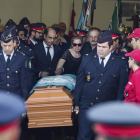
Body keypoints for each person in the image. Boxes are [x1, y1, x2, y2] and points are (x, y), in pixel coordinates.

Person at [74, 31, 128, 140]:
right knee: (84, 136)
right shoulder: (87, 59)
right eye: (99, 46)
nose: (100, 49)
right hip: (86, 106)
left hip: (107, 109)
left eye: (103, 47)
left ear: (111, 47)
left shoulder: (120, 63)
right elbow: (80, 83)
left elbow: (121, 89)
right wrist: (76, 104)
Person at [0, 25, 28, 100]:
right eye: (4, 46)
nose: (7, 49)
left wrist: (24, 101)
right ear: (1, 43)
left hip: (15, 98)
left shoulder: (21, 58)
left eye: (9, 45)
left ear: (15, 43)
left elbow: (23, 82)